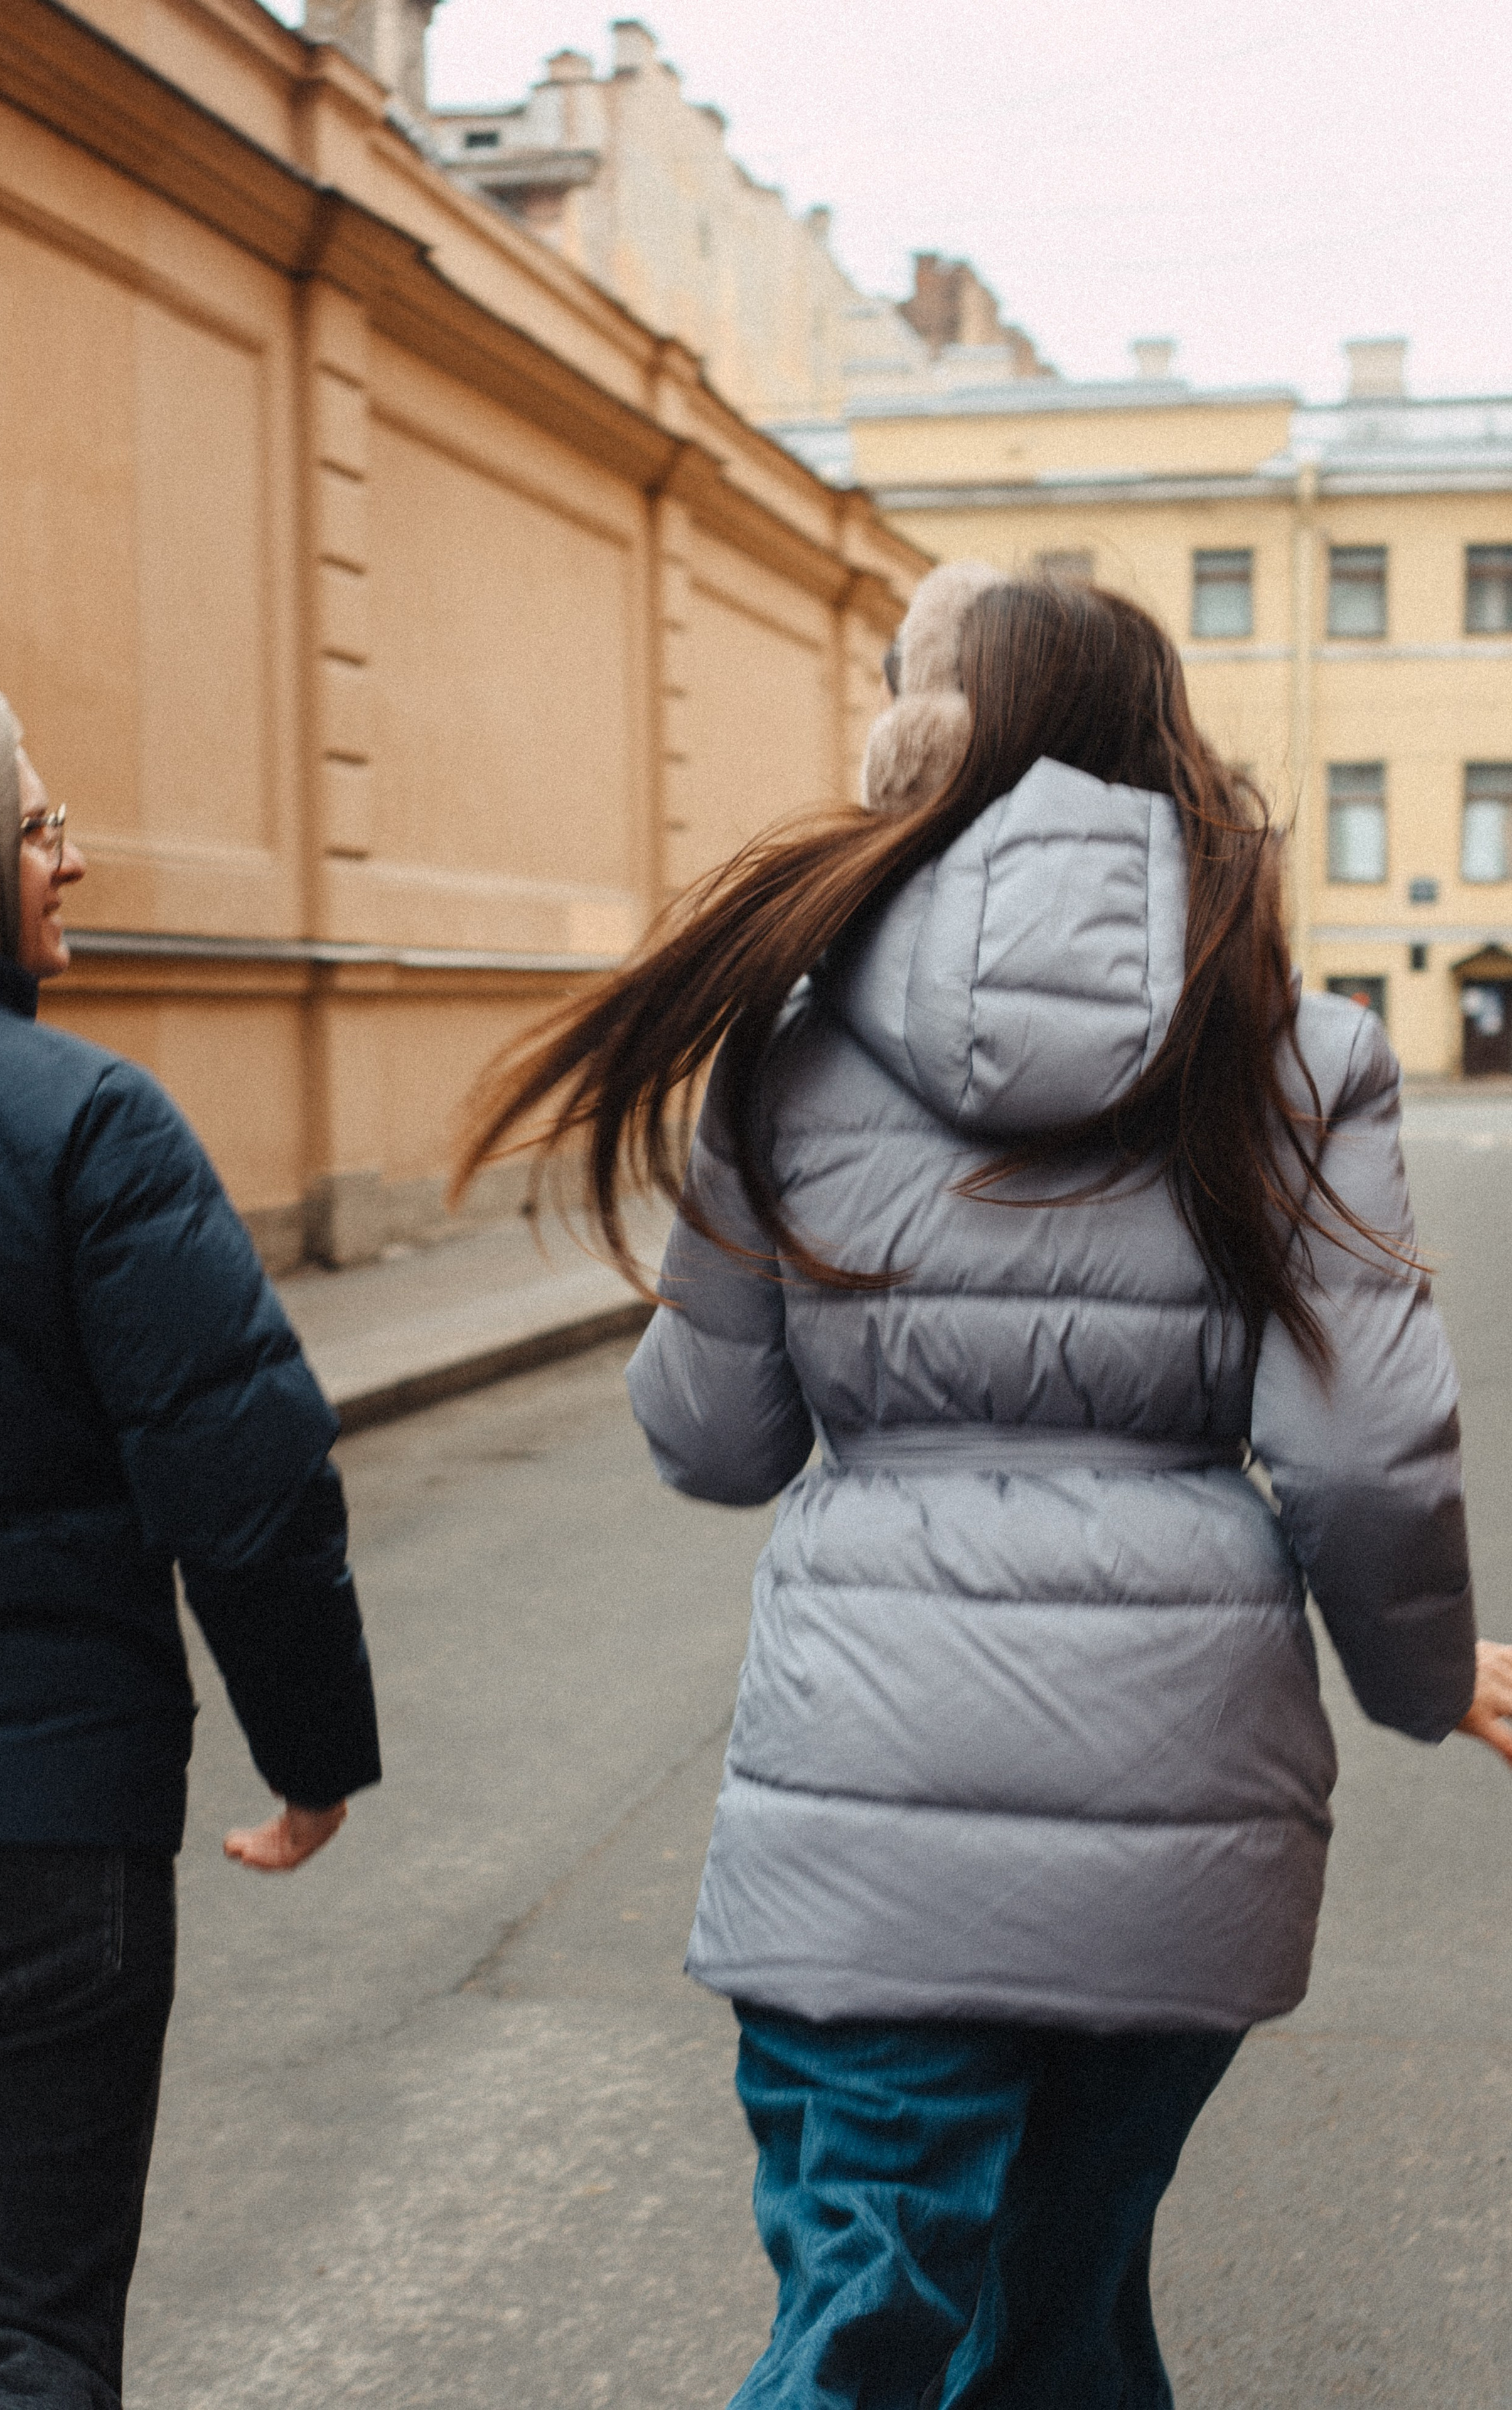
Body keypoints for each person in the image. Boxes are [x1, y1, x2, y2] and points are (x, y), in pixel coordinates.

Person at [454, 567, 1512, 2408]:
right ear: (1163, 740)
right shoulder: (1296, 1052)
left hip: (862, 1834)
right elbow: (1360, 1451)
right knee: (1060, 2323)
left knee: (875, 2330)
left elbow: (713, 1441)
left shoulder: (784, 1050)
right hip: (1181, 1830)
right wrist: (1426, 1673)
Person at [0, 681, 381, 2407]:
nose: (78, 860)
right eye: (37, 829)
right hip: (34, 1841)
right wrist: (313, 1750)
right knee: (6, 2338)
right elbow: (246, 1482)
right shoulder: (90, 1127)